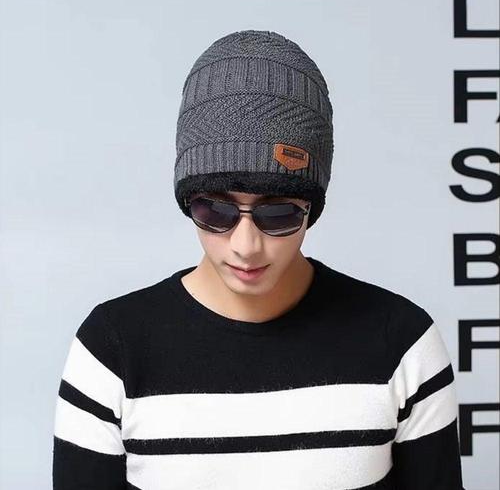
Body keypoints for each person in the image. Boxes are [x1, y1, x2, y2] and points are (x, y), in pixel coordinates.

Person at [52, 30, 465, 489]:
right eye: (216, 211)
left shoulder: (402, 343)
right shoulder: (111, 349)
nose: (245, 245)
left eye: (278, 214)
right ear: (187, 201)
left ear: (312, 208)